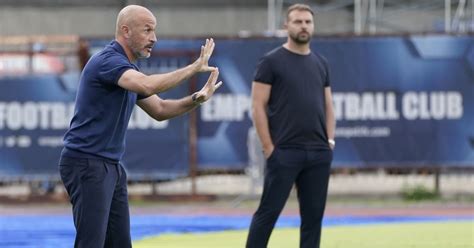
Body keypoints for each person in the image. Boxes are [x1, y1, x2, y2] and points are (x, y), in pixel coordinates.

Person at [58, 5, 222, 248]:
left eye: (154, 31)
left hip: (110, 165)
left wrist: (196, 98)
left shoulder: (127, 69)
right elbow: (146, 86)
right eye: (147, 30)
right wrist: (194, 68)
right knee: (91, 243)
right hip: (87, 163)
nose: (153, 38)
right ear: (126, 31)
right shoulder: (108, 62)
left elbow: (161, 110)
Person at [246, 3, 335, 248]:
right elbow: (257, 107)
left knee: (313, 219)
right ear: (286, 25)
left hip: (318, 153)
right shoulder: (271, 62)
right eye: (298, 21)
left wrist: (329, 142)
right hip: (284, 152)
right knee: (267, 214)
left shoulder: (321, 62)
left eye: (308, 21)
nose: (303, 26)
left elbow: (329, 105)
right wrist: (269, 149)